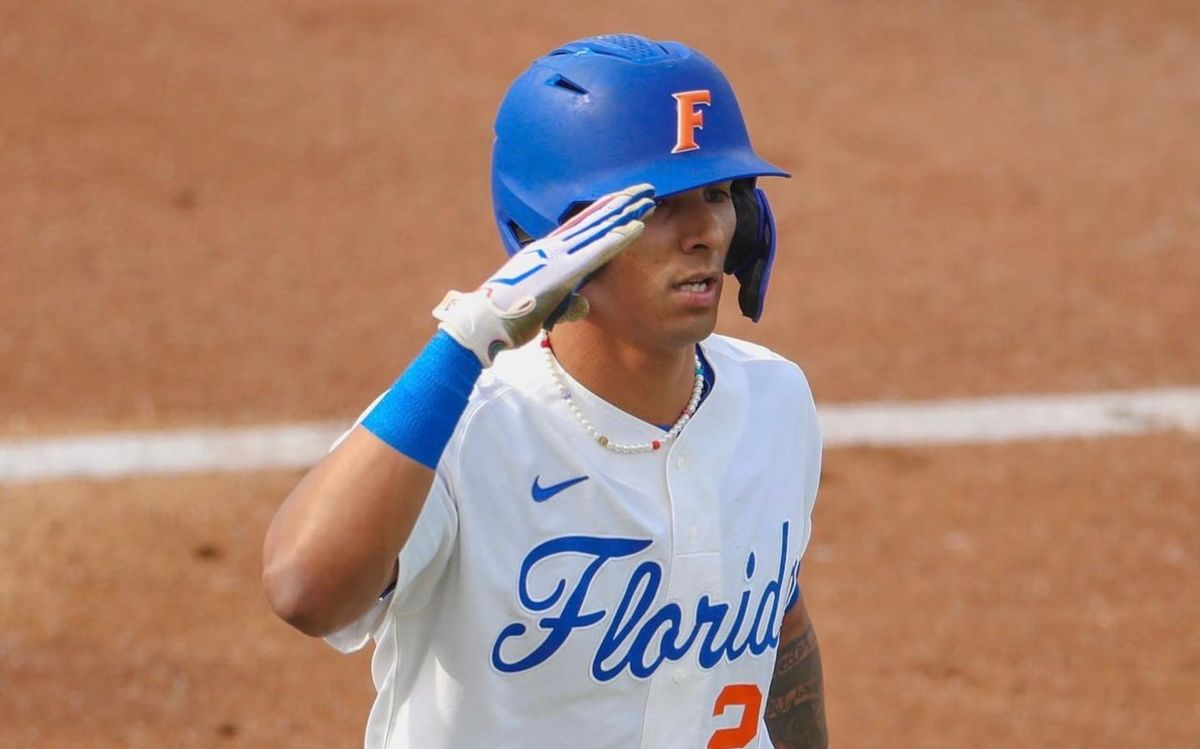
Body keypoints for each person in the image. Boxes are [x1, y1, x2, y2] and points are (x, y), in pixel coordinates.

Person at [263, 33, 827, 749]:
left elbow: (775, 617)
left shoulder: (775, 399)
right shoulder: (464, 426)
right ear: (554, 232)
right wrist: (464, 341)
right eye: (655, 203)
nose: (704, 234)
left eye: (718, 195)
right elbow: (304, 590)